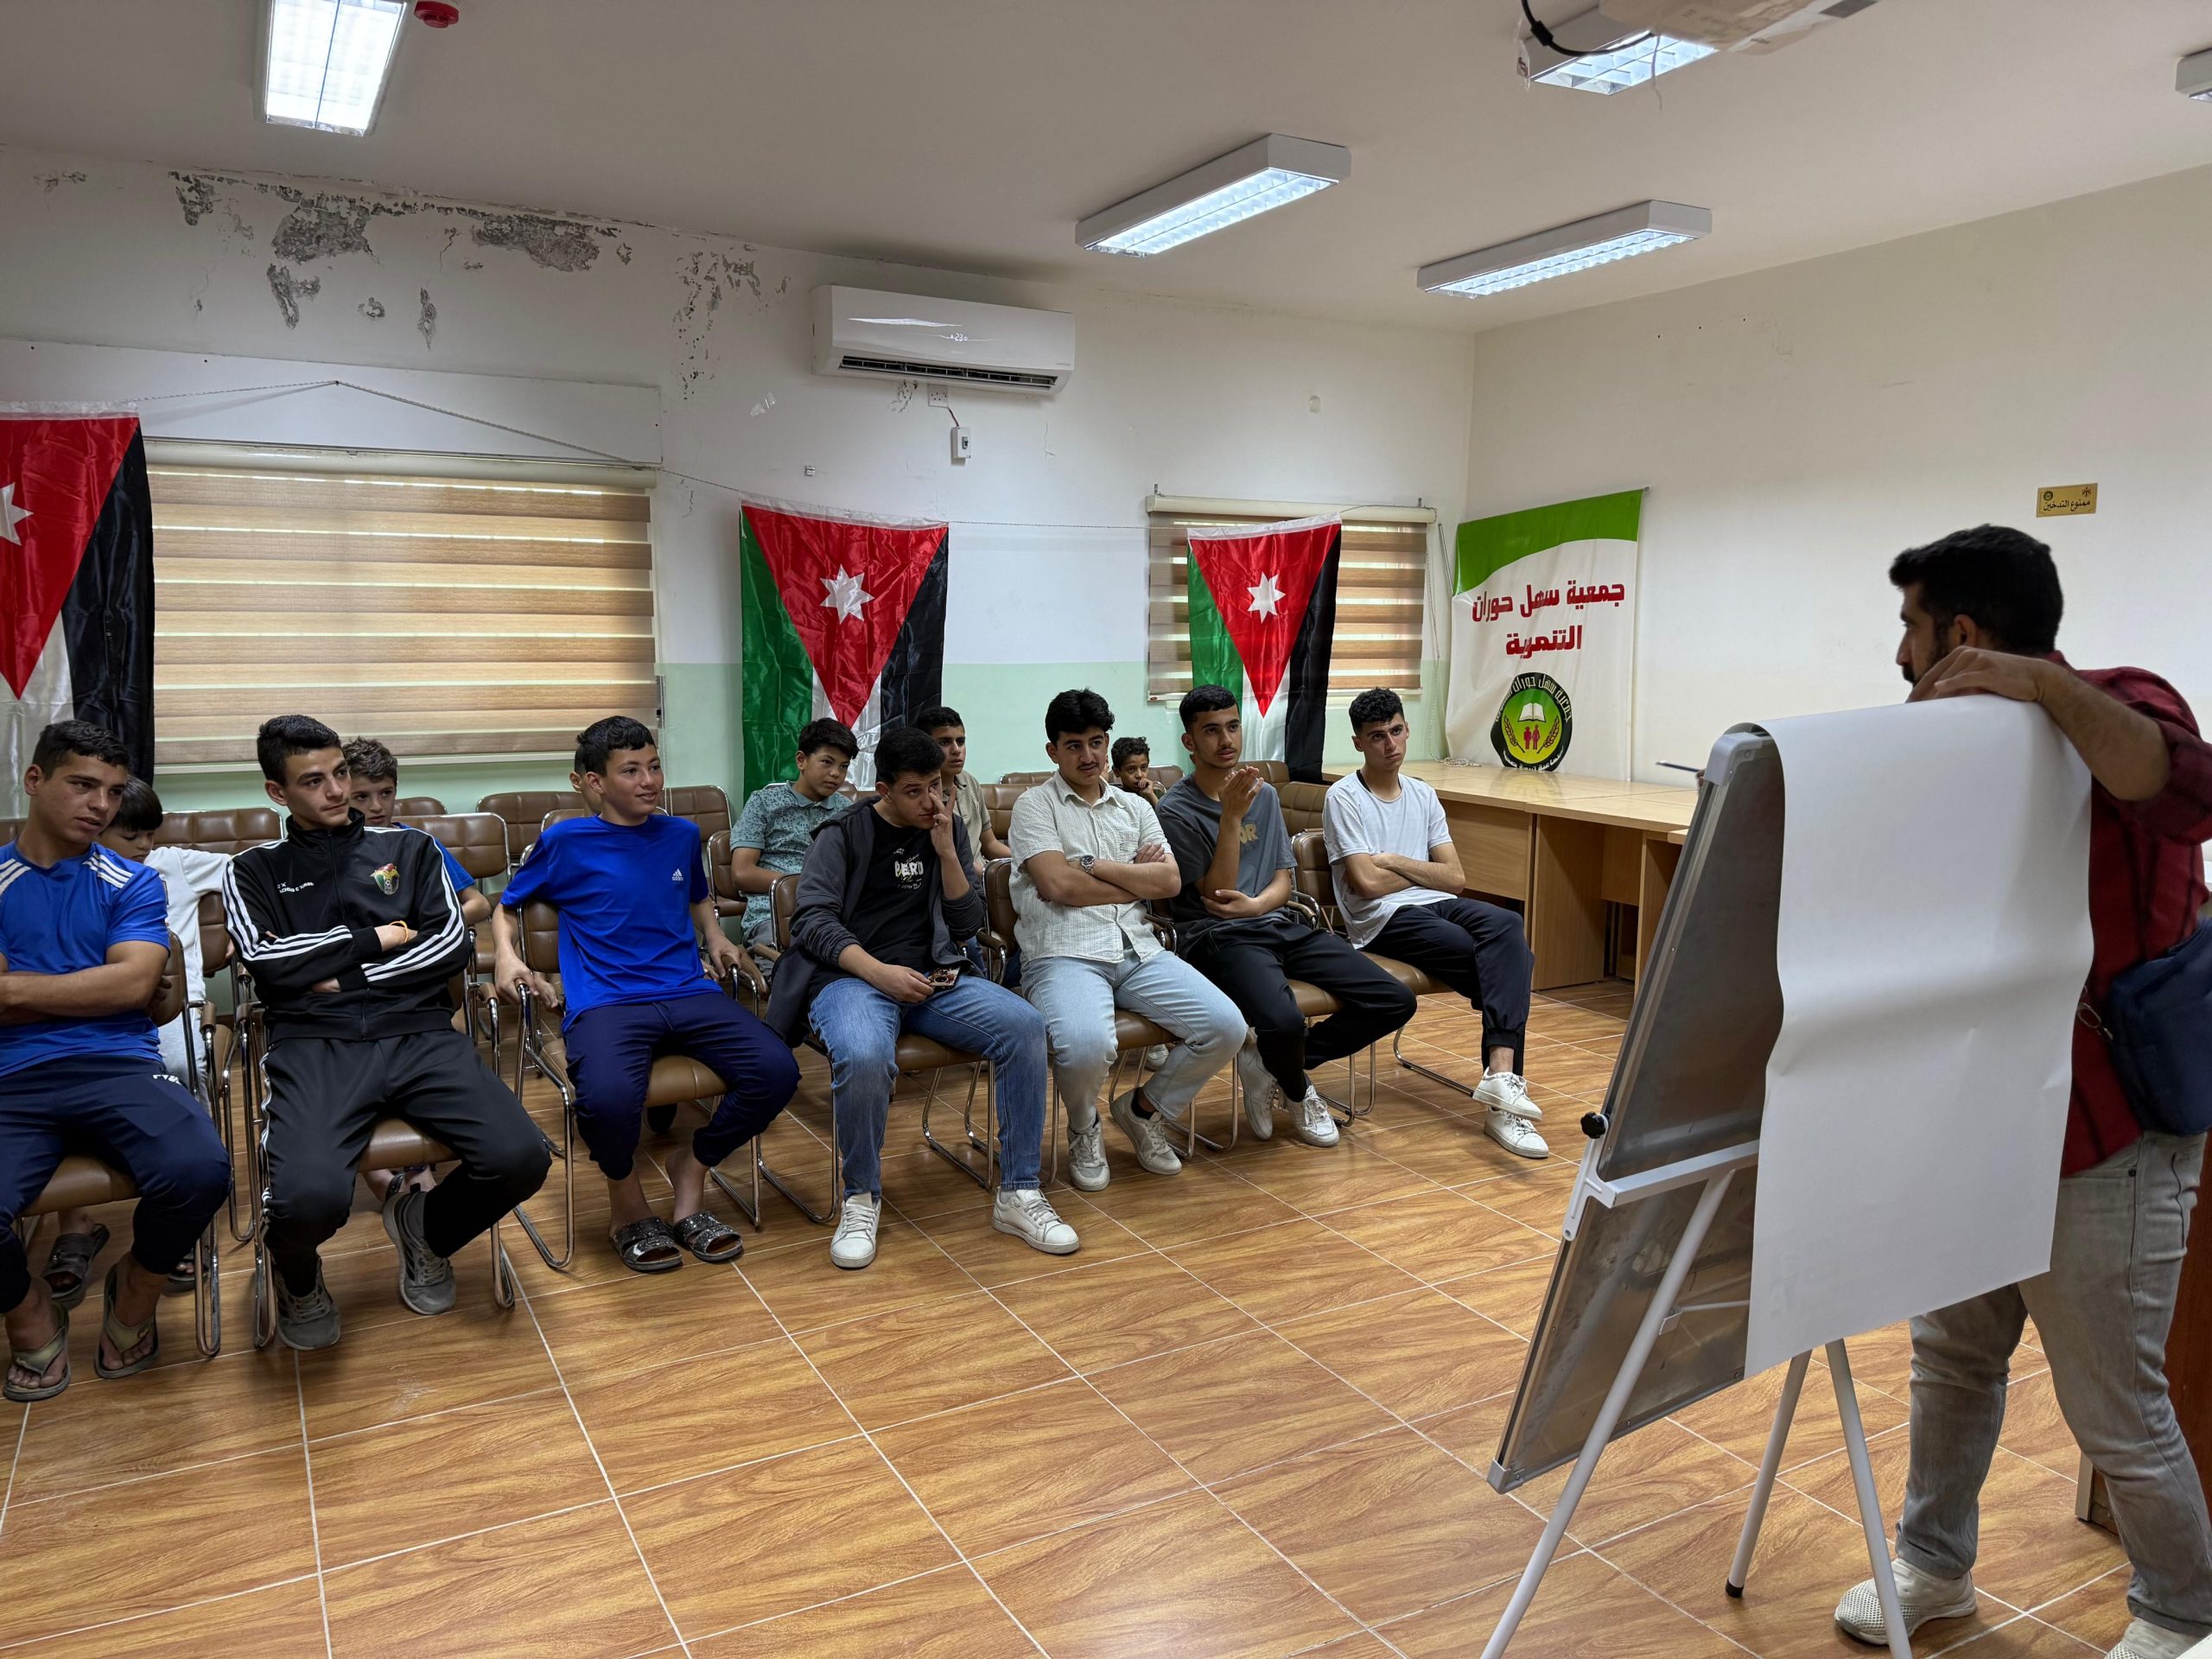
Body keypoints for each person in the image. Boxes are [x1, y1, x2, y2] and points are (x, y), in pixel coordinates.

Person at [1831, 526, 2212, 1659]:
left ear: (1961, 632)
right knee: (1952, 1360)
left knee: (2115, 1408)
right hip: (1978, 1127)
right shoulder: (1943, 749)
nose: (1898, 652)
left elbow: (2183, 789)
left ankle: (2183, 1613)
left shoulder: (2120, 702)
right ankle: (1932, 1564)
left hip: (2107, 1137)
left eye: (1911, 626)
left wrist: (2040, 688)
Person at [226, 715, 550, 1351]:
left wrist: (340, 975)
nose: (337, 791)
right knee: (306, 1200)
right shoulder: (251, 870)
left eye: (340, 772)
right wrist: (375, 940)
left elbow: (450, 946)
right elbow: (266, 963)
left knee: (521, 1158)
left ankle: (424, 1227)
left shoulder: (412, 849)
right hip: (314, 1041)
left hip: (418, 1030)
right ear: (277, 792)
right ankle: (297, 1277)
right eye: (313, 781)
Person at [765, 724, 1077, 1270]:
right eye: (914, 791)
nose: (931, 801)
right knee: (864, 1055)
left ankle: (1019, 1192)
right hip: (852, 978)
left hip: (933, 978)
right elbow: (810, 923)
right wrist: (878, 973)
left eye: (936, 786)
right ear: (883, 790)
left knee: (1025, 1026)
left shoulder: (946, 828)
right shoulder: (842, 834)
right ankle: (861, 1197)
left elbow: (968, 924)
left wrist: (949, 854)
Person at [494, 716, 799, 1273]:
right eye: (631, 770)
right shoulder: (565, 841)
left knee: (777, 1072)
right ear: (593, 782)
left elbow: (698, 896)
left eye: (654, 766)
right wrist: (507, 956)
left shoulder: (680, 835)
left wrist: (715, 938)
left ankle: (693, 1166)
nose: (649, 780)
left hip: (687, 990)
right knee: (608, 1103)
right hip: (607, 1001)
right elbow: (508, 904)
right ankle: (627, 1204)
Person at [2, 721, 230, 1401]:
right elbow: (121, 985)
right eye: (82, 785)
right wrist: (95, 989)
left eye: (111, 791)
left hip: (117, 1066)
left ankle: (136, 1287)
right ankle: (27, 1310)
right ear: (35, 779)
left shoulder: (133, 882)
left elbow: (133, 987)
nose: (100, 805)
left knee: (201, 1170)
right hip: (11, 1076)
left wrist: (17, 991)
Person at [1156, 686, 1416, 1147]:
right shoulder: (1177, 808)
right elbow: (1216, 894)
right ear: (1189, 742)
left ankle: (1272, 1062)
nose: (1226, 740)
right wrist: (1230, 817)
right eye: (1211, 731)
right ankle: (1298, 1090)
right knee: (1285, 1021)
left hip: (1276, 922)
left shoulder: (1264, 795)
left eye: (1233, 726)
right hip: (1218, 936)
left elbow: (1282, 878)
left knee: (1394, 999)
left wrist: (1259, 905)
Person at [1010, 689, 1245, 1189]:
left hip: (1138, 948)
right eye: (1074, 745)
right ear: (1053, 751)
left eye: (1097, 742)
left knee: (1227, 1027)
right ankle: (1084, 1126)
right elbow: (1057, 886)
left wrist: (1090, 866)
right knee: (1086, 1046)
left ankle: (1143, 1110)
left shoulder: (1135, 807)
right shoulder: (1034, 806)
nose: (1089, 756)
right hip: (1063, 952)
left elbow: (1169, 881)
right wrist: (1132, 881)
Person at [34, 778, 232, 1311]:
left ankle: (181, 1214)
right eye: (130, 835)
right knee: (59, 1081)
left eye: (150, 834)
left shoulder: (167, 868)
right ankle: (76, 1222)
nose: (143, 845)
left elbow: (247, 873)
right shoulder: (60, 879)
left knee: (178, 1067)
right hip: (77, 1021)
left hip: (166, 1008)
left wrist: (247, 933)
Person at [1325, 688, 1545, 1160]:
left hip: (1435, 903)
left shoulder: (1423, 793)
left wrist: (1394, 860)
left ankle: (1500, 1079)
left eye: (1397, 731)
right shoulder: (1344, 797)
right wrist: (1423, 871)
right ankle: (1503, 1099)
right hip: (1382, 919)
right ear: (1358, 743)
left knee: (1508, 925)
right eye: (1377, 736)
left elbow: (1456, 879)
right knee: (1510, 967)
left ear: (1407, 729)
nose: (1391, 744)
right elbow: (1367, 885)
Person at [728, 717, 857, 948]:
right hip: (773, 915)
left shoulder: (846, 810)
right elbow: (742, 872)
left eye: (843, 766)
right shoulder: (764, 803)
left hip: (833, 914)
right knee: (789, 962)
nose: (836, 774)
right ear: (801, 760)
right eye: (827, 762)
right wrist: (805, 885)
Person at [343, 737, 493, 927]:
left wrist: (424, 933)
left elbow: (479, 905)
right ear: (343, 797)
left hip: (419, 941)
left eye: (386, 793)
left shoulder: (420, 844)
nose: (377, 806)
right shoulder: (333, 849)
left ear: (396, 790)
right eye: (362, 797)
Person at [914, 705, 1012, 862]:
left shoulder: (969, 781)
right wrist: (988, 873)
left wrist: (1027, 862)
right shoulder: (921, 796)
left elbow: (991, 845)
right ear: (925, 747)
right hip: (954, 873)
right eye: (944, 742)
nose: (956, 750)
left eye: (960, 742)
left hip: (984, 872)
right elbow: (946, 861)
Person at [1110, 737, 1164, 806]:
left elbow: (1165, 813)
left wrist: (1151, 795)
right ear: (1117, 772)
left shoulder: (1156, 794)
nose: (1140, 775)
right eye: (1131, 770)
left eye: (1143, 768)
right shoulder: (1114, 799)